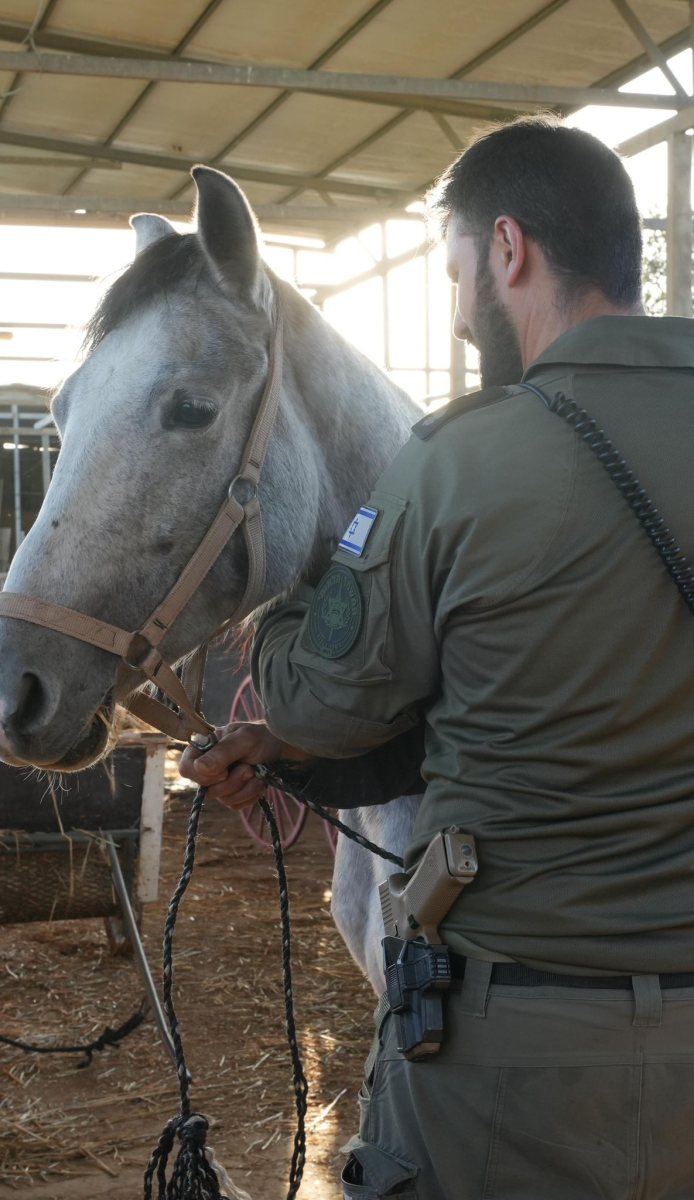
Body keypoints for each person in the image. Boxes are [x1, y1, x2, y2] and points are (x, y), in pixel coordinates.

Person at [179, 114, 694, 1200]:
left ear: (506, 250)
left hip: (515, 1063)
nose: (463, 319)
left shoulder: (464, 459)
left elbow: (320, 698)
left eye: (458, 271)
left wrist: (279, 615)